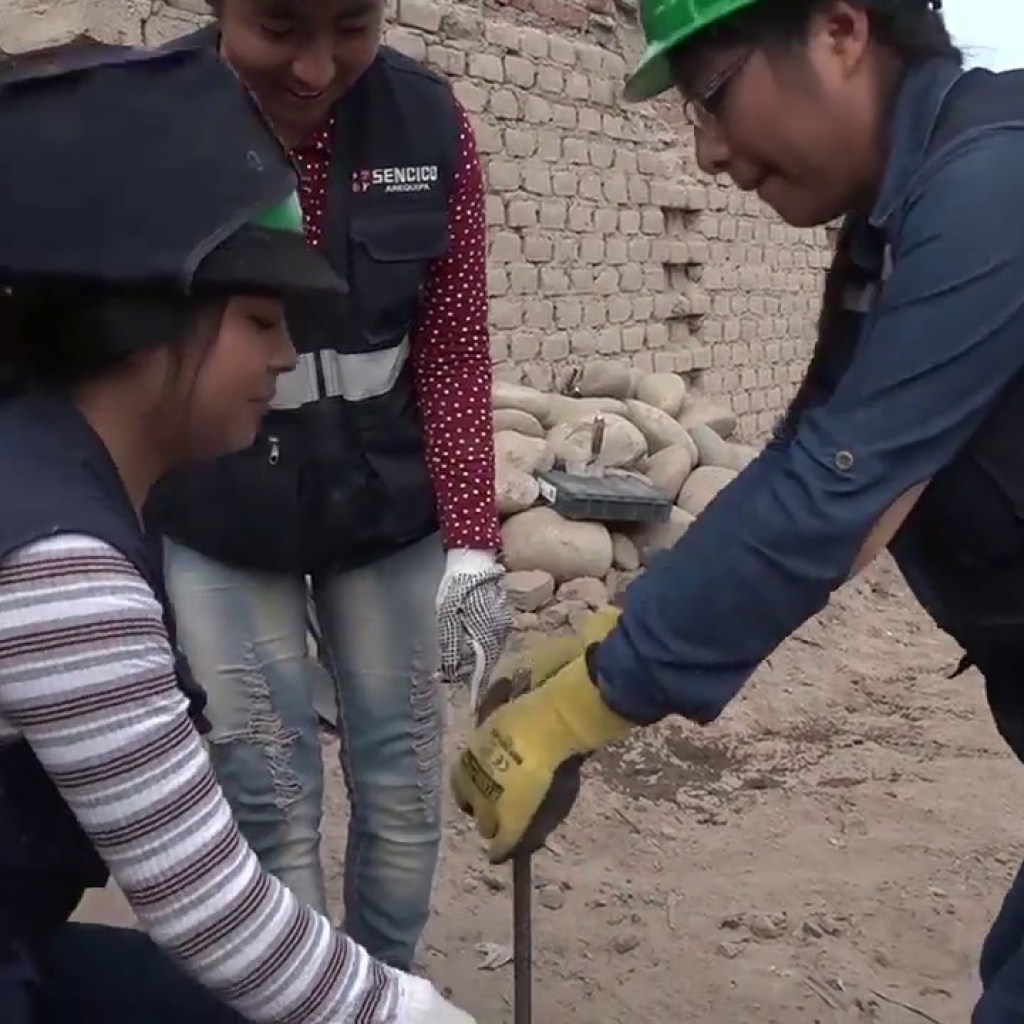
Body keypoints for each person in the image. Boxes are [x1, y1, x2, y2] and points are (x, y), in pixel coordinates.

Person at [450, 1, 1024, 1020]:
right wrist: (612, 631)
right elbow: (807, 464)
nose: (707, 151)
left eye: (713, 98)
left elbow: (837, 496)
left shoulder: (995, 185)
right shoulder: (900, 220)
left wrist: (592, 701)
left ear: (841, 31)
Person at [0, 42, 475, 1024]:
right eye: (260, 318)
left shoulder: (48, 471)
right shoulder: (63, 572)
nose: (289, 355)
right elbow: (217, 914)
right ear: (147, 324)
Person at [144, 0, 512, 969]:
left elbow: (454, 348)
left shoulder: (430, 126)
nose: (314, 70)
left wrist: (473, 542)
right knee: (266, 784)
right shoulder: (158, 121)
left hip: (382, 508)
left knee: (399, 781)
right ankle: (298, 991)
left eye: (350, 27)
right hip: (219, 508)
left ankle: (383, 983)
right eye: (278, 28)